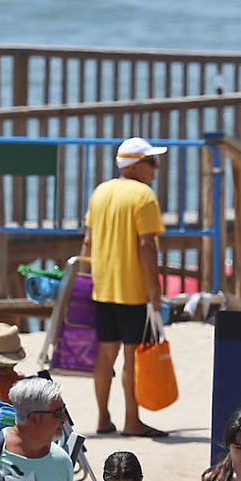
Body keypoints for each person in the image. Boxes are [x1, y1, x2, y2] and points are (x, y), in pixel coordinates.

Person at [82, 137, 168, 439]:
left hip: (102, 288)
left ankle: (103, 418)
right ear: (136, 165)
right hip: (132, 291)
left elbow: (88, 242)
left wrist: (83, 280)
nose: (155, 169)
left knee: (105, 356)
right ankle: (133, 421)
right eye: (152, 163)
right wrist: (154, 289)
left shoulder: (100, 192)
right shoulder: (144, 196)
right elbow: (146, 246)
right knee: (132, 358)